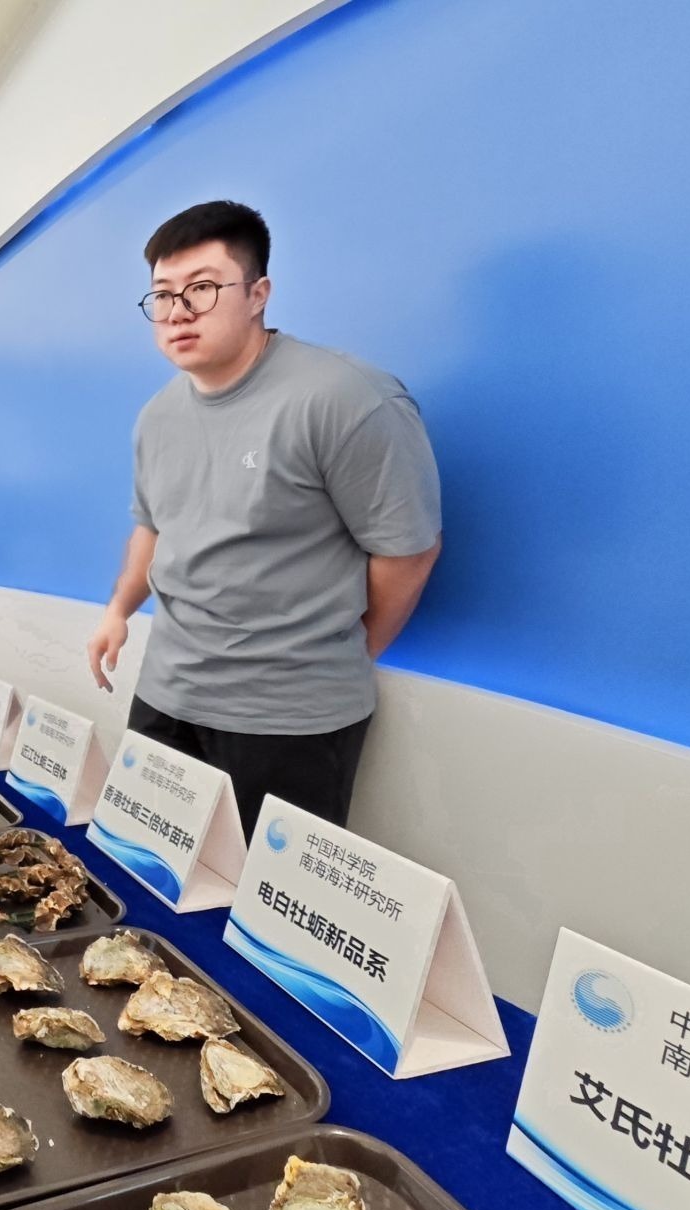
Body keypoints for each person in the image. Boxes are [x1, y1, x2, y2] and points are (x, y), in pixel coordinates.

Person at [85, 200, 442, 838]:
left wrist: (344, 652)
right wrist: (117, 610)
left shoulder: (346, 398)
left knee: (264, 924)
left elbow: (408, 552)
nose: (178, 311)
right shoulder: (157, 416)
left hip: (289, 722)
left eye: (202, 288)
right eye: (162, 294)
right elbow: (153, 527)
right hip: (165, 695)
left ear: (259, 293)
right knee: (148, 886)